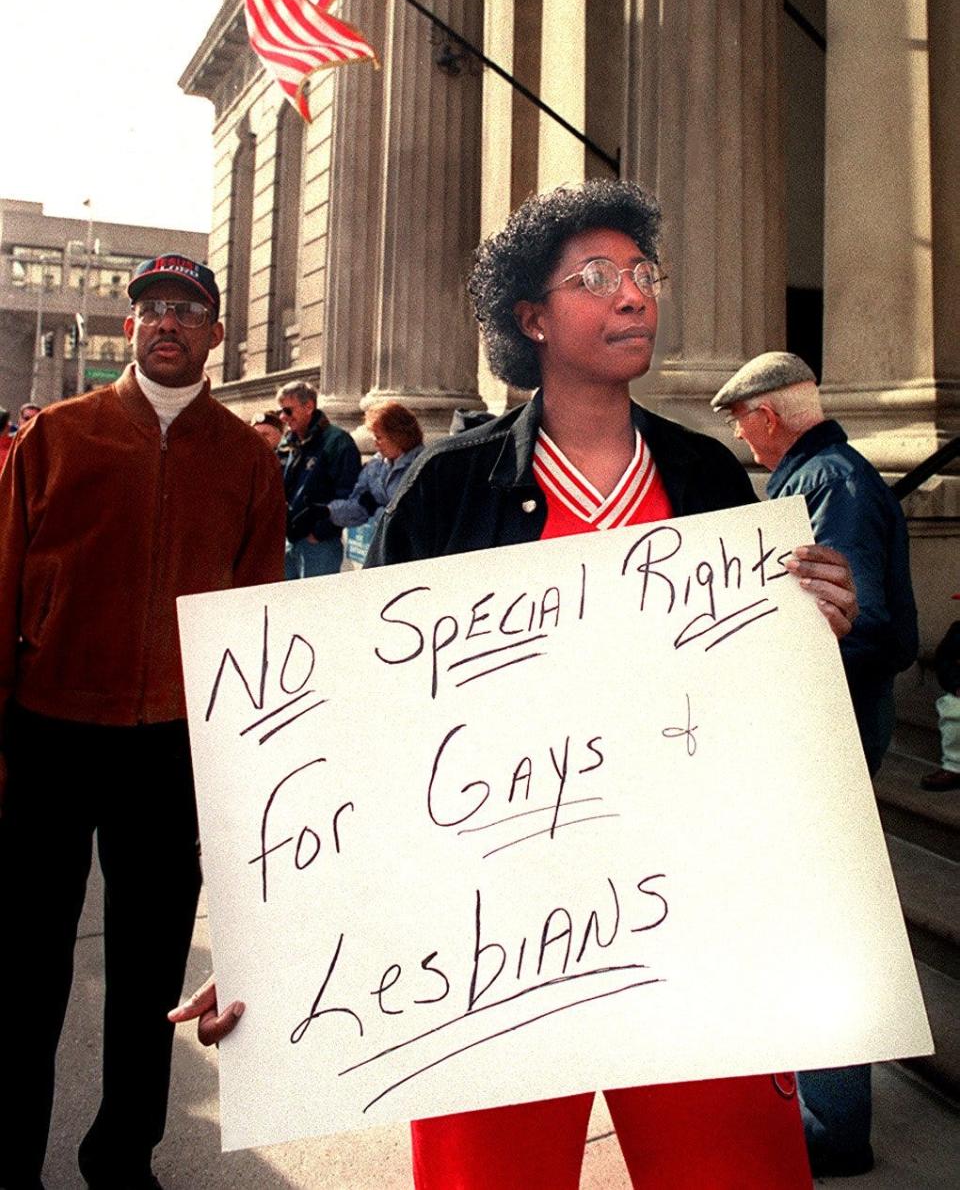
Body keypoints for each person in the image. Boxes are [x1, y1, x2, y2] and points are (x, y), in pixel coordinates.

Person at [174, 180, 857, 1188]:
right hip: (489, 946)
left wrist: (816, 622)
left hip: (695, 928)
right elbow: (361, 731)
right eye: (595, 277)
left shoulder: (710, 478)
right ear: (530, 317)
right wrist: (281, 930)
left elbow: (760, 719)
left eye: (641, 274)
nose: (632, 296)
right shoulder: (447, 489)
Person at [0, 253, 286, 1190]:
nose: (167, 321)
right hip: (49, 731)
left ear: (214, 334)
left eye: (188, 309)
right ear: (129, 328)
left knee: (151, 970)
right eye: (152, 308)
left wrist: (243, 766)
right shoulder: (55, 437)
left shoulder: (248, 459)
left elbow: (259, 618)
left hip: (173, 748)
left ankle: (122, 1157)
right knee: (26, 970)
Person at [711, 349, 919, 1179]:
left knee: (822, 924)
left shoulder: (828, 481)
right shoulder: (833, 474)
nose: (739, 435)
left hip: (827, 729)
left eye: (738, 420)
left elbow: (859, 626)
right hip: (826, 726)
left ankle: (833, 1127)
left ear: (765, 416)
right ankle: (825, 1113)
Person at [276, 381, 361, 578]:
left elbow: (349, 493)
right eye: (280, 411)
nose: (283, 417)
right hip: (289, 541)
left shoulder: (338, 441)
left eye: (288, 411)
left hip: (319, 544)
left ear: (308, 407)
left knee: (314, 604)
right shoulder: (288, 442)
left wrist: (320, 533)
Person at [319, 401, 424, 532]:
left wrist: (378, 511)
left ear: (398, 436)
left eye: (379, 438)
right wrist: (327, 511)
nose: (375, 444)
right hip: (381, 541)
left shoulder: (422, 464)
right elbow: (358, 506)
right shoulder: (376, 464)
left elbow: (415, 517)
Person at [921, 599, 960, 791]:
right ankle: (954, 766)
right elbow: (944, 661)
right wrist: (956, 684)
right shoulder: (957, 632)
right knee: (954, 711)